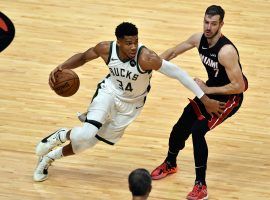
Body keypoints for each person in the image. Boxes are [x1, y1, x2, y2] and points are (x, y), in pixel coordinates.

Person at [33, 22, 224, 182]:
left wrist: (204, 99)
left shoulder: (147, 58)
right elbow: (83, 57)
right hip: (109, 93)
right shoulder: (105, 49)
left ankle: (49, 158)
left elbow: (179, 74)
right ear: (118, 42)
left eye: (136, 42)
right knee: (86, 132)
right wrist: (62, 66)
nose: (133, 47)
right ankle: (59, 136)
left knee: (87, 143)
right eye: (128, 43)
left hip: (130, 106)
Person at [150, 5, 248, 200]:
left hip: (230, 98)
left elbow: (239, 86)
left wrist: (207, 90)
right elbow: (173, 52)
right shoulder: (198, 39)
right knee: (181, 125)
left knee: (197, 131)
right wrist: (150, 64)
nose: (208, 27)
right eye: (206, 22)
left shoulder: (226, 51)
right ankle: (170, 163)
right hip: (210, 89)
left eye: (213, 23)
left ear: (221, 25)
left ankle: (200, 186)